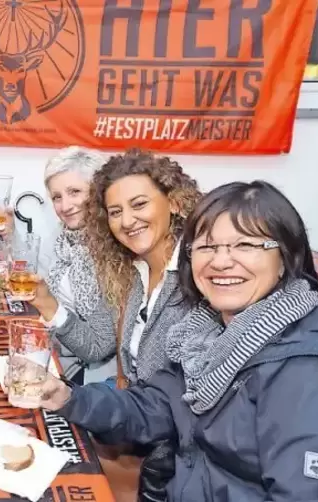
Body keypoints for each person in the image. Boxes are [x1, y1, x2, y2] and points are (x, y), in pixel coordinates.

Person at [31, 180, 318, 501]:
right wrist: (67, 398)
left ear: (285, 258)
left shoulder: (309, 364)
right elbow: (154, 407)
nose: (221, 261)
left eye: (246, 245)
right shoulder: (203, 334)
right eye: (207, 246)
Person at [81, 148, 202, 501]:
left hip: (172, 436)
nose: (127, 220)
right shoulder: (135, 270)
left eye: (139, 204)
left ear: (175, 203)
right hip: (136, 409)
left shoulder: (201, 273)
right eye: (116, 212)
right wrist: (121, 381)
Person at [26, 147, 117, 384]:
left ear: (99, 192)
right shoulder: (65, 238)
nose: (65, 206)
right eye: (57, 197)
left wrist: (50, 308)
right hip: (57, 355)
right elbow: (33, 274)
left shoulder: (114, 250)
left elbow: (97, 347)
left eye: (74, 192)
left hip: (94, 378)